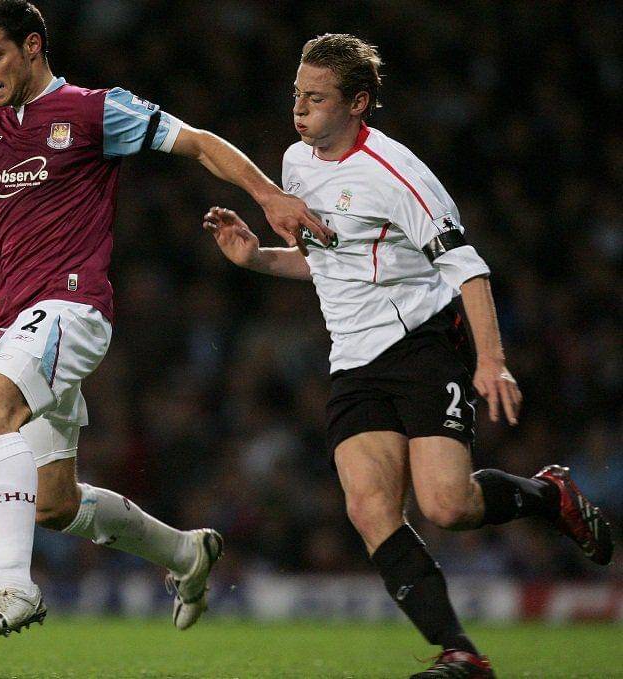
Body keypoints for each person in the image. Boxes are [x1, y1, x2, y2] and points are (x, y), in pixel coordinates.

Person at [0, 0, 333, 643]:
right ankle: (185, 553)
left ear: (33, 46)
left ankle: (15, 585)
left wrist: (269, 195)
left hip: (71, 308)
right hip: (16, 324)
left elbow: (197, 143)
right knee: (54, 504)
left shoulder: (93, 111)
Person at [204, 33, 613, 679]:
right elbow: (329, 264)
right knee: (369, 509)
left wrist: (491, 360)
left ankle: (547, 495)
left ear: (357, 102)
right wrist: (255, 258)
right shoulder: (295, 162)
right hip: (352, 359)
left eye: (316, 98)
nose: (299, 109)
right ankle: (460, 653)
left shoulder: (396, 174)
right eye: (296, 95)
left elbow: (467, 267)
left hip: (421, 342)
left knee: (447, 506)